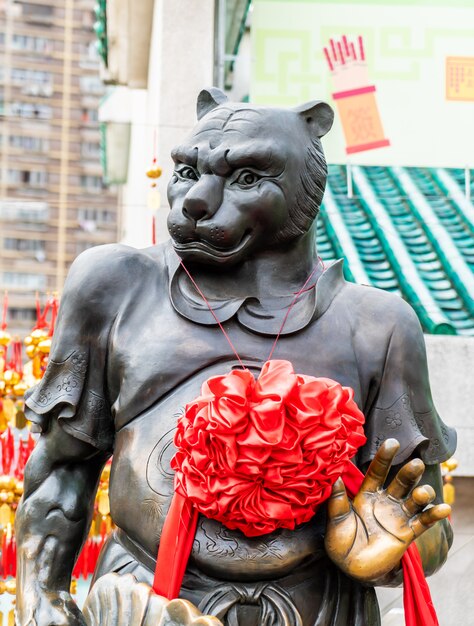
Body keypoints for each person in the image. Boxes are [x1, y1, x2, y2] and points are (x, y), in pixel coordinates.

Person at [15, 89, 455, 626]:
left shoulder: (378, 326)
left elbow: (425, 515)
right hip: (144, 601)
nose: (195, 200)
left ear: (305, 188)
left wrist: (391, 554)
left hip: (322, 608)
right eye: (187, 172)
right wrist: (44, 602)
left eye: (246, 178)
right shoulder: (112, 286)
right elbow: (61, 470)